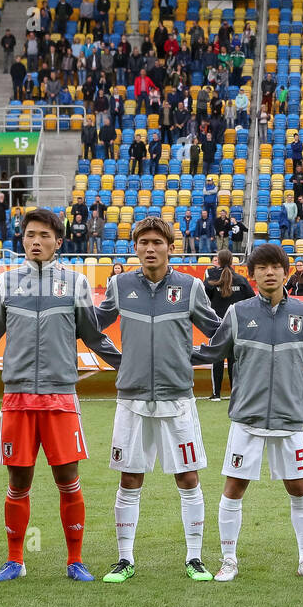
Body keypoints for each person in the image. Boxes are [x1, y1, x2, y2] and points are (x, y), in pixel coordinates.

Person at [0, 208, 122, 582]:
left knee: (68, 478)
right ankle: (15, 560)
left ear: (58, 242)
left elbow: (93, 335)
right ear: (22, 240)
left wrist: (128, 365)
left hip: (60, 396)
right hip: (18, 397)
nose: (36, 241)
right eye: (30, 235)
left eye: (44, 235)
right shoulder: (7, 283)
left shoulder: (75, 284)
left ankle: (74, 561)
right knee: (18, 481)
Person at [192, 243, 303, 581]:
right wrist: (173, 353)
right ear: (253, 274)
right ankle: (228, 560)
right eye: (262, 268)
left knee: (299, 488)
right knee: (234, 487)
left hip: (290, 420)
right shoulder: (238, 313)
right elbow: (212, 351)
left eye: (276, 266)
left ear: (286, 272)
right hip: (247, 418)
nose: (270, 272)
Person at [94, 217, 222, 583]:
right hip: (132, 400)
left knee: (188, 477)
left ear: (170, 247)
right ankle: (124, 559)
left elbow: (219, 332)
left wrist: (192, 357)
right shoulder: (119, 285)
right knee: (130, 479)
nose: (150, 248)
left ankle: (195, 558)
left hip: (177, 398)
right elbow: (91, 328)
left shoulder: (190, 287)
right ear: (135, 247)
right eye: (143, 242)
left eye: (157, 242)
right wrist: (122, 361)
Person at [202, 249, 253, 400]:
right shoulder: (241, 279)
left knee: (217, 359)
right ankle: (234, 393)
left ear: (219, 260)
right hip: (237, 325)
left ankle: (216, 394)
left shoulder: (210, 278)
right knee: (233, 361)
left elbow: (203, 301)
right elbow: (251, 300)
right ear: (232, 261)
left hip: (217, 325)